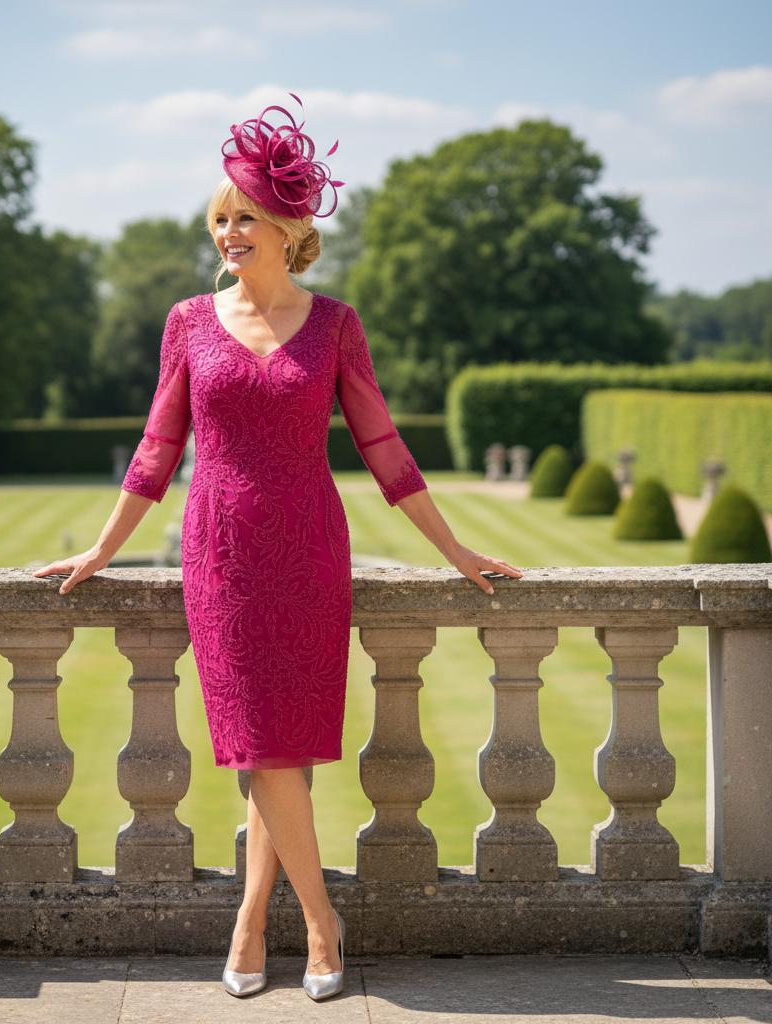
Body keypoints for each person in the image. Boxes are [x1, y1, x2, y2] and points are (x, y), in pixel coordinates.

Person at [33, 93, 523, 1001]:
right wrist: (101, 550)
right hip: (218, 554)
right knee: (258, 748)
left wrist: (456, 550)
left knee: (280, 755)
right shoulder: (186, 321)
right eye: (219, 217)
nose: (227, 232)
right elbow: (156, 449)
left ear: (289, 227)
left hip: (308, 551)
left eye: (244, 216)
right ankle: (324, 927)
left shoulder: (336, 325)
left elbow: (384, 449)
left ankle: (253, 923)